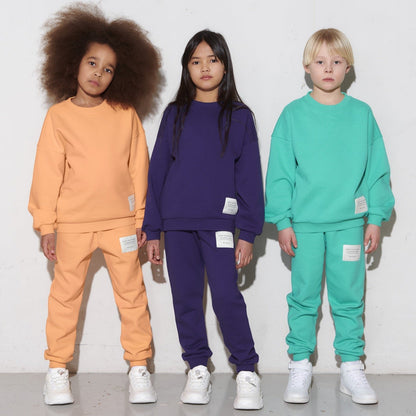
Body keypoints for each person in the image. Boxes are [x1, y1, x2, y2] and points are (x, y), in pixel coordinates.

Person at [28, 3, 160, 406]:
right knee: (64, 299)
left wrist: (142, 218)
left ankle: (138, 366)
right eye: (92, 63)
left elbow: (139, 168)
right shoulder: (58, 117)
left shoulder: (125, 115)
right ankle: (57, 369)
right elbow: (47, 174)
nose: (98, 74)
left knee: (132, 296)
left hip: (121, 223)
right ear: (73, 63)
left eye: (108, 69)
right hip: (71, 226)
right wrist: (47, 225)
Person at [265, 28, 394, 405]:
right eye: (320, 61)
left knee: (349, 297)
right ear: (307, 67)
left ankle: (351, 367)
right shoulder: (292, 115)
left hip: (349, 225)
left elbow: (377, 169)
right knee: (303, 297)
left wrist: (375, 217)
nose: (328, 68)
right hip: (304, 226)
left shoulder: (361, 114)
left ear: (347, 67)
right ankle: (299, 365)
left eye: (336, 61)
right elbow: (280, 172)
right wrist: (283, 221)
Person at [143, 30, 264, 410]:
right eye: (196, 61)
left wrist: (248, 232)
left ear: (225, 65)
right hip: (177, 225)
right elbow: (157, 172)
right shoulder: (175, 114)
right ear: (187, 68)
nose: (205, 67)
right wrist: (152, 229)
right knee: (186, 299)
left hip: (221, 225)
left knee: (227, 297)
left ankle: (247, 370)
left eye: (212, 60)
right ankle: (197, 367)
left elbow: (249, 176)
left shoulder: (240, 117)